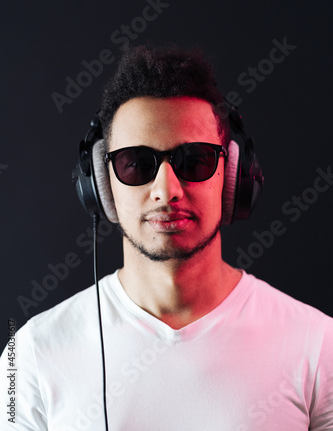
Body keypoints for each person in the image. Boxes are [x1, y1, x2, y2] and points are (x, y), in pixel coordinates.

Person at [0, 45, 332, 430]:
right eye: (137, 164)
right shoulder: (28, 357)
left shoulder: (317, 345)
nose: (166, 190)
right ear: (101, 184)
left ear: (234, 175)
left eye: (195, 161)